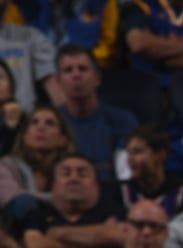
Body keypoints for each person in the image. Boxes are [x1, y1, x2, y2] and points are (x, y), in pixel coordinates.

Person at [52, 46, 135, 179]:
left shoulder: (122, 121)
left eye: (83, 69)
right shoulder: (51, 123)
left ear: (97, 78)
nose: (76, 75)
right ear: (58, 82)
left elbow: (126, 175)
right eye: (68, 70)